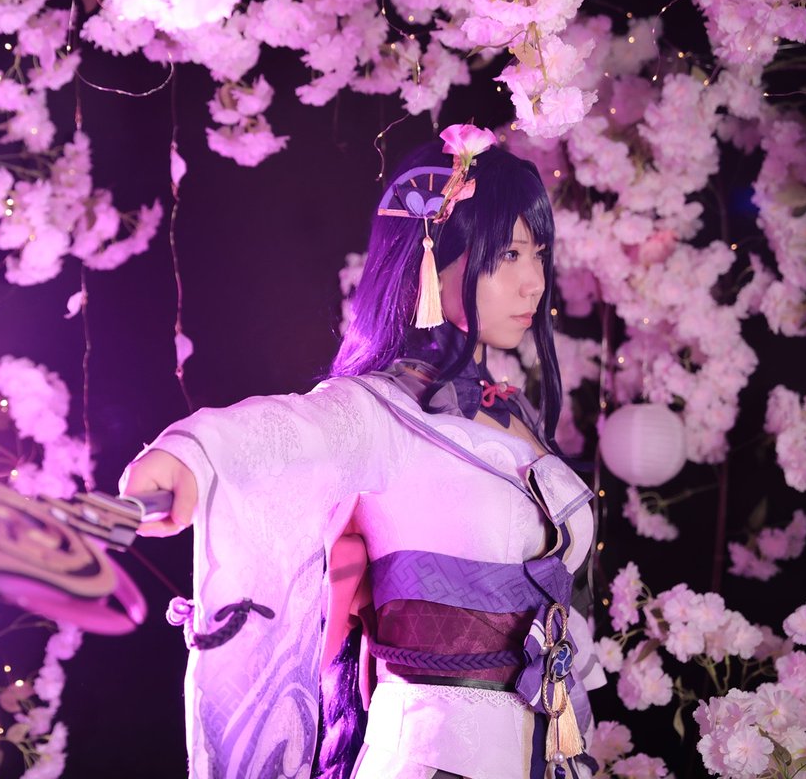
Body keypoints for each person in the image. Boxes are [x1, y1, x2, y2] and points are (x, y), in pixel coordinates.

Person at [120, 125, 605, 779]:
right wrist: (191, 454)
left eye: (538, 254)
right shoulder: (377, 413)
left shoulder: (513, 413)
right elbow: (286, 433)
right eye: (509, 255)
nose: (533, 283)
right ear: (431, 255)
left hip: (547, 752)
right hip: (434, 758)